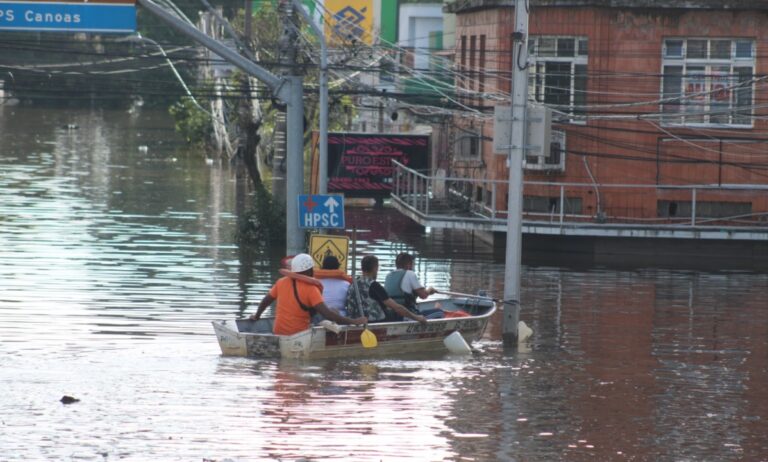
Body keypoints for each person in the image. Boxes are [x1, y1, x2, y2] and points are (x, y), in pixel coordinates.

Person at [250, 253, 367, 335]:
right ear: (310, 271)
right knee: (334, 312)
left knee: (331, 312)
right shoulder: (311, 289)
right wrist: (354, 322)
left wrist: (257, 315)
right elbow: (328, 314)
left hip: (278, 332)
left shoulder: (281, 282)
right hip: (299, 334)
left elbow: (267, 300)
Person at [346, 255, 427, 325]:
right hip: (373, 322)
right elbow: (397, 308)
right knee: (397, 312)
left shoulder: (353, 284)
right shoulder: (374, 285)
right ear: (375, 268)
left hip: (354, 321)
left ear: (362, 268)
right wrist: (416, 317)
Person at [384, 253, 444, 319]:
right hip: (407, 315)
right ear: (409, 265)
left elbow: (405, 295)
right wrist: (430, 289)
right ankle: (436, 311)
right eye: (413, 264)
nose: (413, 266)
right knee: (439, 312)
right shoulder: (410, 273)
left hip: (391, 315)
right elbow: (423, 295)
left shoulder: (388, 276)